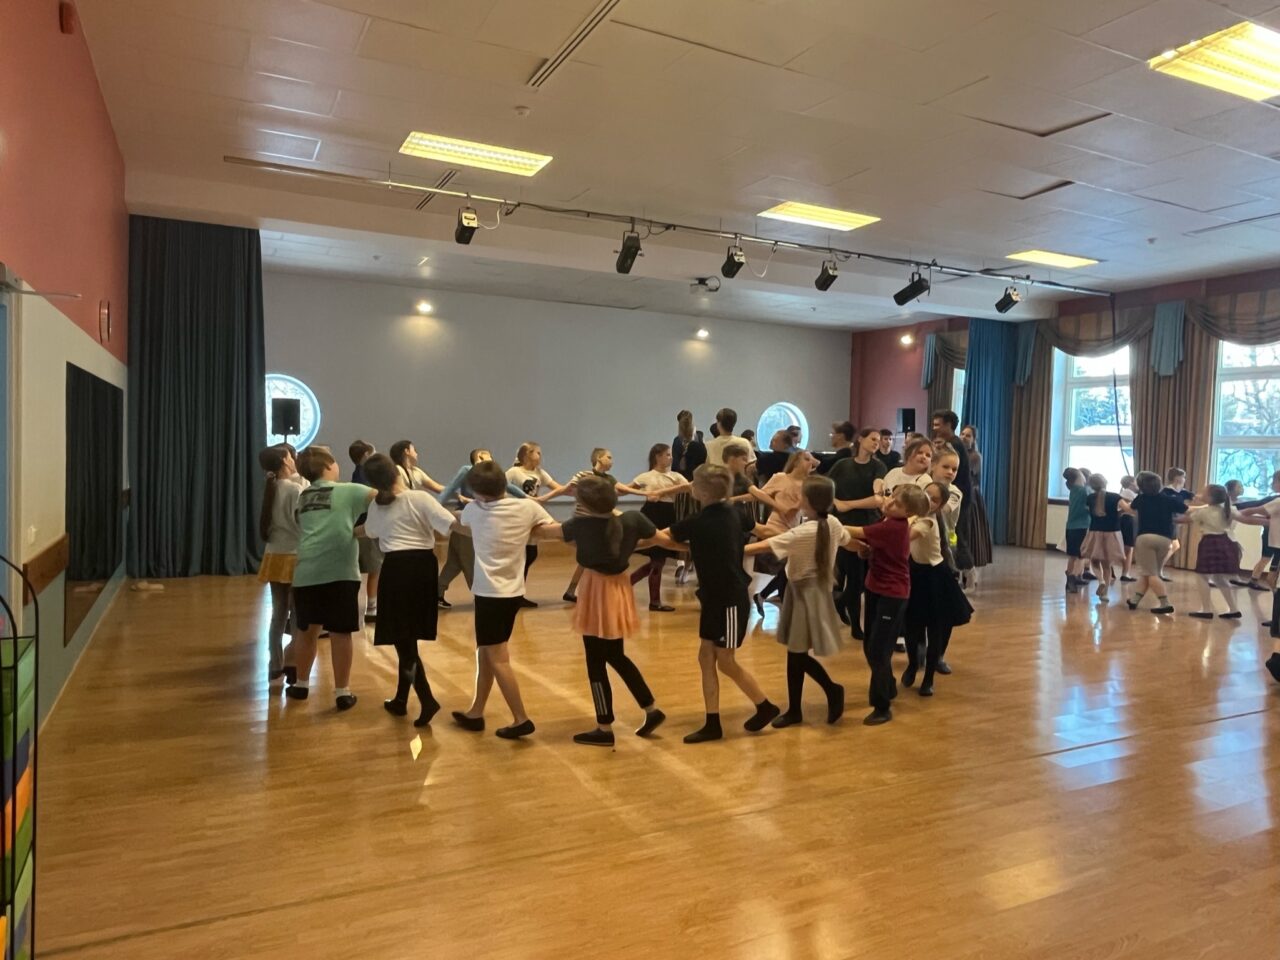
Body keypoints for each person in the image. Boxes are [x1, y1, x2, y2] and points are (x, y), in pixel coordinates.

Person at [653, 464, 779, 743]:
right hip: (713, 597)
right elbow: (760, 529)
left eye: (693, 484)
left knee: (726, 661)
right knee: (706, 657)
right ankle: (712, 722)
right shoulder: (735, 513)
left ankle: (765, 706)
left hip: (730, 599)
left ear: (701, 492)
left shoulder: (699, 521)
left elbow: (663, 538)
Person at [452, 460, 562, 739]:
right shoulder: (527, 508)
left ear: (477, 493)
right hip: (512, 593)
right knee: (486, 651)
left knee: (498, 657)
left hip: (490, 595)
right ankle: (476, 712)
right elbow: (551, 528)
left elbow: (459, 521)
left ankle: (521, 718)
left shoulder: (474, 511)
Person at [561, 476, 667, 746]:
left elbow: (545, 532)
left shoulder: (581, 525)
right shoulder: (632, 519)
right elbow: (663, 539)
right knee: (615, 654)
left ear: (585, 504)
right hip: (618, 590)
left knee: (595, 660)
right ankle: (650, 708)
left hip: (596, 591)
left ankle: (604, 726)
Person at [359, 454, 457, 726]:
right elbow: (450, 525)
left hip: (396, 569)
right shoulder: (420, 498)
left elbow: (370, 532)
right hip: (423, 568)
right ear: (396, 472)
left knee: (403, 639)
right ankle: (402, 700)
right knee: (407, 638)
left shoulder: (378, 505)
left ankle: (426, 699)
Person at [743, 476, 847, 727]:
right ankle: (798, 708)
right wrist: (863, 547)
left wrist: (725, 551)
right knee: (796, 653)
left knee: (797, 653)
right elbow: (847, 539)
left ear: (806, 501)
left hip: (804, 593)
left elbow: (761, 547)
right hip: (811, 592)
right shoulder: (832, 523)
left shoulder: (803, 532)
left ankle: (828, 691)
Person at [286, 446, 376, 710]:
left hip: (306, 572)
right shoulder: (349, 490)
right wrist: (366, 529)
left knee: (307, 632)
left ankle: (301, 684)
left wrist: (353, 529)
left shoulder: (304, 496)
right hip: (339, 572)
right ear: (328, 467)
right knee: (340, 633)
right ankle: (342, 692)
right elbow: (384, 496)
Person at [843, 484, 931, 725]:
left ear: (908, 513)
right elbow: (874, 545)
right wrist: (868, 552)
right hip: (875, 588)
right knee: (870, 646)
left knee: (878, 651)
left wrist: (826, 522)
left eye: (897, 504)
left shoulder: (894, 526)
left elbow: (855, 531)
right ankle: (888, 685)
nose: (890, 503)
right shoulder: (887, 520)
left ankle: (882, 706)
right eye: (891, 497)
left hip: (893, 594)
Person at [542, 448, 650, 603]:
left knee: (587, 559)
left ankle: (574, 591)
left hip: (597, 526)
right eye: (609, 457)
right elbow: (565, 490)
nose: (612, 461)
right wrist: (542, 499)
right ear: (599, 458)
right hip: (584, 524)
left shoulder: (609, 479)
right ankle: (584, 593)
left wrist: (646, 492)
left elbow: (624, 489)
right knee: (588, 558)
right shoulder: (584, 475)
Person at [902, 480, 972, 696]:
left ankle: (928, 678)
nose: (928, 501)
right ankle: (913, 664)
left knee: (935, 630)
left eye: (934, 499)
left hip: (935, 578)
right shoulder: (915, 517)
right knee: (911, 628)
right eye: (926, 495)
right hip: (915, 574)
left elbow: (904, 536)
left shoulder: (928, 521)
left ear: (940, 505)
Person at [436, 449, 528, 607]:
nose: (491, 460)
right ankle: (482, 596)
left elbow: (508, 487)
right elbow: (450, 488)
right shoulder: (467, 470)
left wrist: (529, 498)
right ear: (478, 457)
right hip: (467, 521)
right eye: (487, 457)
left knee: (455, 562)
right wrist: (436, 508)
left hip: (474, 521)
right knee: (470, 561)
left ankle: (437, 593)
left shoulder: (490, 476)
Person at [830, 428, 887, 641]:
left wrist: (848, 504)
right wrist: (837, 503)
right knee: (853, 577)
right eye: (873, 439)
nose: (876, 443)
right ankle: (855, 624)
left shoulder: (878, 466)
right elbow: (827, 486)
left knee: (863, 579)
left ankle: (841, 602)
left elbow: (878, 499)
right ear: (860, 439)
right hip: (844, 527)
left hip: (868, 526)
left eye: (878, 440)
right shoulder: (842, 465)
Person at [749, 450, 819, 614]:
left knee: (789, 569)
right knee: (789, 568)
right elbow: (760, 495)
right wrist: (735, 498)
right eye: (806, 459)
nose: (810, 462)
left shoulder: (808, 484)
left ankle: (763, 596)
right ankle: (776, 601)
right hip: (776, 527)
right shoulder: (780, 478)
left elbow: (799, 512)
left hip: (794, 529)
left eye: (811, 460)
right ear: (795, 461)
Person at [257, 445, 302, 685]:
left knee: (278, 613)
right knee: (297, 613)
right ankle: (293, 662)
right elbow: (301, 522)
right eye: (290, 456)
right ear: (285, 461)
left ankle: (275, 664)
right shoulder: (295, 489)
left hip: (274, 555)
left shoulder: (271, 487)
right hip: (294, 555)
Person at [628, 443, 691, 612]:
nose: (671, 457)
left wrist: (663, 492)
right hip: (650, 515)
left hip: (667, 515)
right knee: (657, 559)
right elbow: (625, 489)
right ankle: (653, 600)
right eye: (667, 454)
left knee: (659, 559)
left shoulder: (675, 476)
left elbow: (689, 487)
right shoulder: (646, 476)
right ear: (658, 457)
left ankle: (628, 584)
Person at [1119, 471, 1187, 614]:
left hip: (1145, 538)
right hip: (1165, 539)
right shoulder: (1168, 499)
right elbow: (1186, 510)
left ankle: (1165, 603)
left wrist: (1119, 500)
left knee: (1151, 573)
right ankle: (1134, 600)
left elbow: (1130, 509)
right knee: (1148, 572)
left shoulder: (1141, 499)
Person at [506, 442, 561, 607]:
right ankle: (513, 594)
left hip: (533, 517)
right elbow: (500, 486)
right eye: (537, 453)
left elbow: (557, 487)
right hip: (518, 518)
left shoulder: (540, 473)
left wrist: (572, 488)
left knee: (530, 553)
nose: (540, 456)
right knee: (520, 557)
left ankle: (518, 593)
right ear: (527, 455)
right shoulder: (514, 472)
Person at [1186, 484, 1243, 620]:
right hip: (1226, 542)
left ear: (1210, 498)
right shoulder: (1229, 509)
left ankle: (1206, 609)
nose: (1201, 494)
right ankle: (1233, 609)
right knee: (1219, 577)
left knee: (1201, 576)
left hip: (1210, 543)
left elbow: (1185, 519)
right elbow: (1244, 517)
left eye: (1204, 492)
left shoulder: (1204, 512)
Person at [671, 411, 707, 584]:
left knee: (682, 526)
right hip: (698, 489)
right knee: (698, 529)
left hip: (682, 490)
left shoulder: (677, 442)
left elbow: (675, 467)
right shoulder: (700, 442)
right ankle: (697, 567)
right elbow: (704, 465)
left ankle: (682, 565)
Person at [349, 440, 383, 622]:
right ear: (366, 455)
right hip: (367, 528)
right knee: (375, 568)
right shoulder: (364, 477)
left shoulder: (357, 474)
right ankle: (372, 607)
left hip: (363, 527)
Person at [1081, 473, 1124, 600]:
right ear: (1105, 482)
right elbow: (1126, 508)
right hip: (1112, 533)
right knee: (1107, 565)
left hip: (1095, 532)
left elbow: (1088, 511)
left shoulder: (1090, 498)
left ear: (1091, 486)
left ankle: (1101, 581)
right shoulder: (1115, 497)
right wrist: (1118, 513)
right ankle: (1105, 594)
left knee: (1094, 560)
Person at [1234, 474, 1280, 591]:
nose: (1272, 484)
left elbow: (1253, 507)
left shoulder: (1276, 500)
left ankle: (1261, 583)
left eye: (1274, 481)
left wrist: (1233, 509)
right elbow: (1254, 507)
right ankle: (1255, 581)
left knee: (1268, 563)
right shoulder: (1274, 500)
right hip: (1272, 536)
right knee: (1266, 558)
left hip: (1274, 538)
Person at [1062, 468, 1090, 590]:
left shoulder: (1073, 490)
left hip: (1071, 527)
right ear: (1079, 477)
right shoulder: (1085, 490)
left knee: (1073, 556)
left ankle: (1071, 578)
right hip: (1082, 526)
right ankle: (1073, 577)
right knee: (1081, 555)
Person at [1118, 475, 1139, 582]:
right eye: (1136, 482)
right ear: (1131, 483)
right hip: (1128, 520)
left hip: (1129, 520)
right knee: (1128, 548)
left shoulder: (1129, 493)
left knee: (1128, 547)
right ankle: (1125, 573)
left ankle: (1126, 572)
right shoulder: (1127, 492)